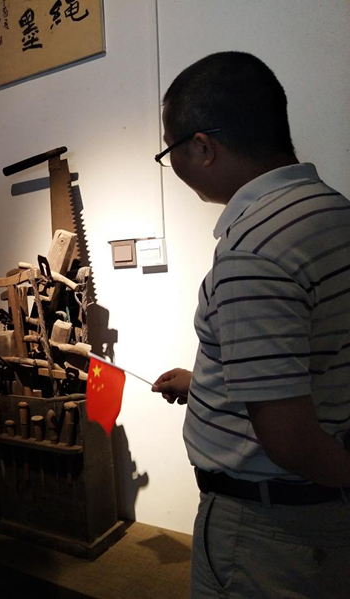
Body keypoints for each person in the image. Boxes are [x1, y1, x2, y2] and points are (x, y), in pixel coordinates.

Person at [151, 51, 350, 598]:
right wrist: (205, 385)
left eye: (169, 151)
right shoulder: (333, 210)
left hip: (267, 531)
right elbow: (317, 356)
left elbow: (289, 440)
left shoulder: (253, 249)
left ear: (202, 147)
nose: (174, 166)